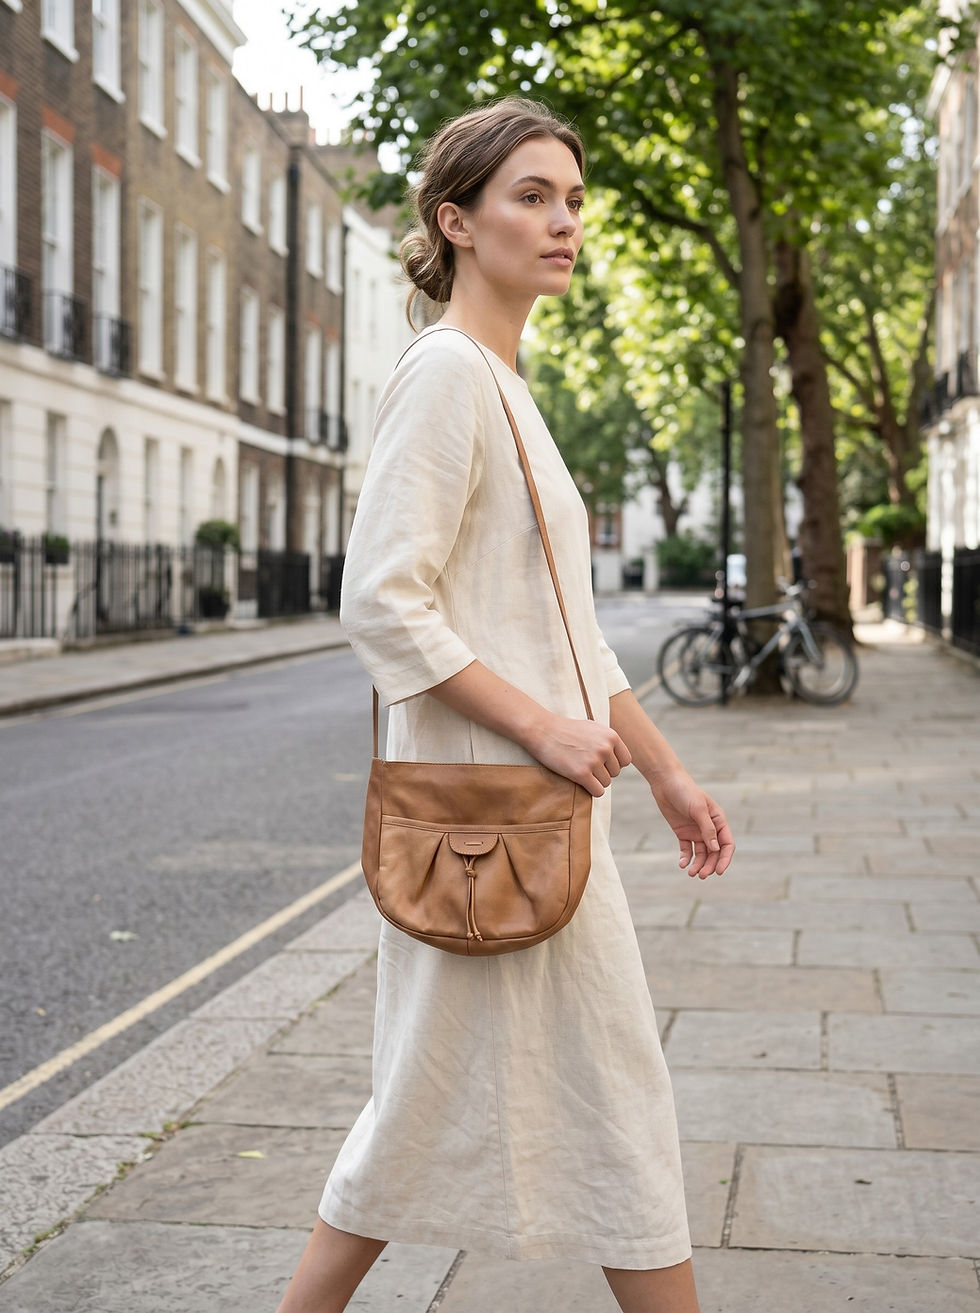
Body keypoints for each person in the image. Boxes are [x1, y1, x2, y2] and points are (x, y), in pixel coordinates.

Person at [276, 98, 734, 1313]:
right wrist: (538, 726)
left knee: (474, 1103)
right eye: (531, 195)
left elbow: (569, 634)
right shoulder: (444, 374)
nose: (562, 220)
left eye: (572, 199)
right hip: (494, 813)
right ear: (455, 222)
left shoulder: (505, 386)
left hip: (530, 817)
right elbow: (378, 601)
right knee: (580, 1097)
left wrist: (668, 770)